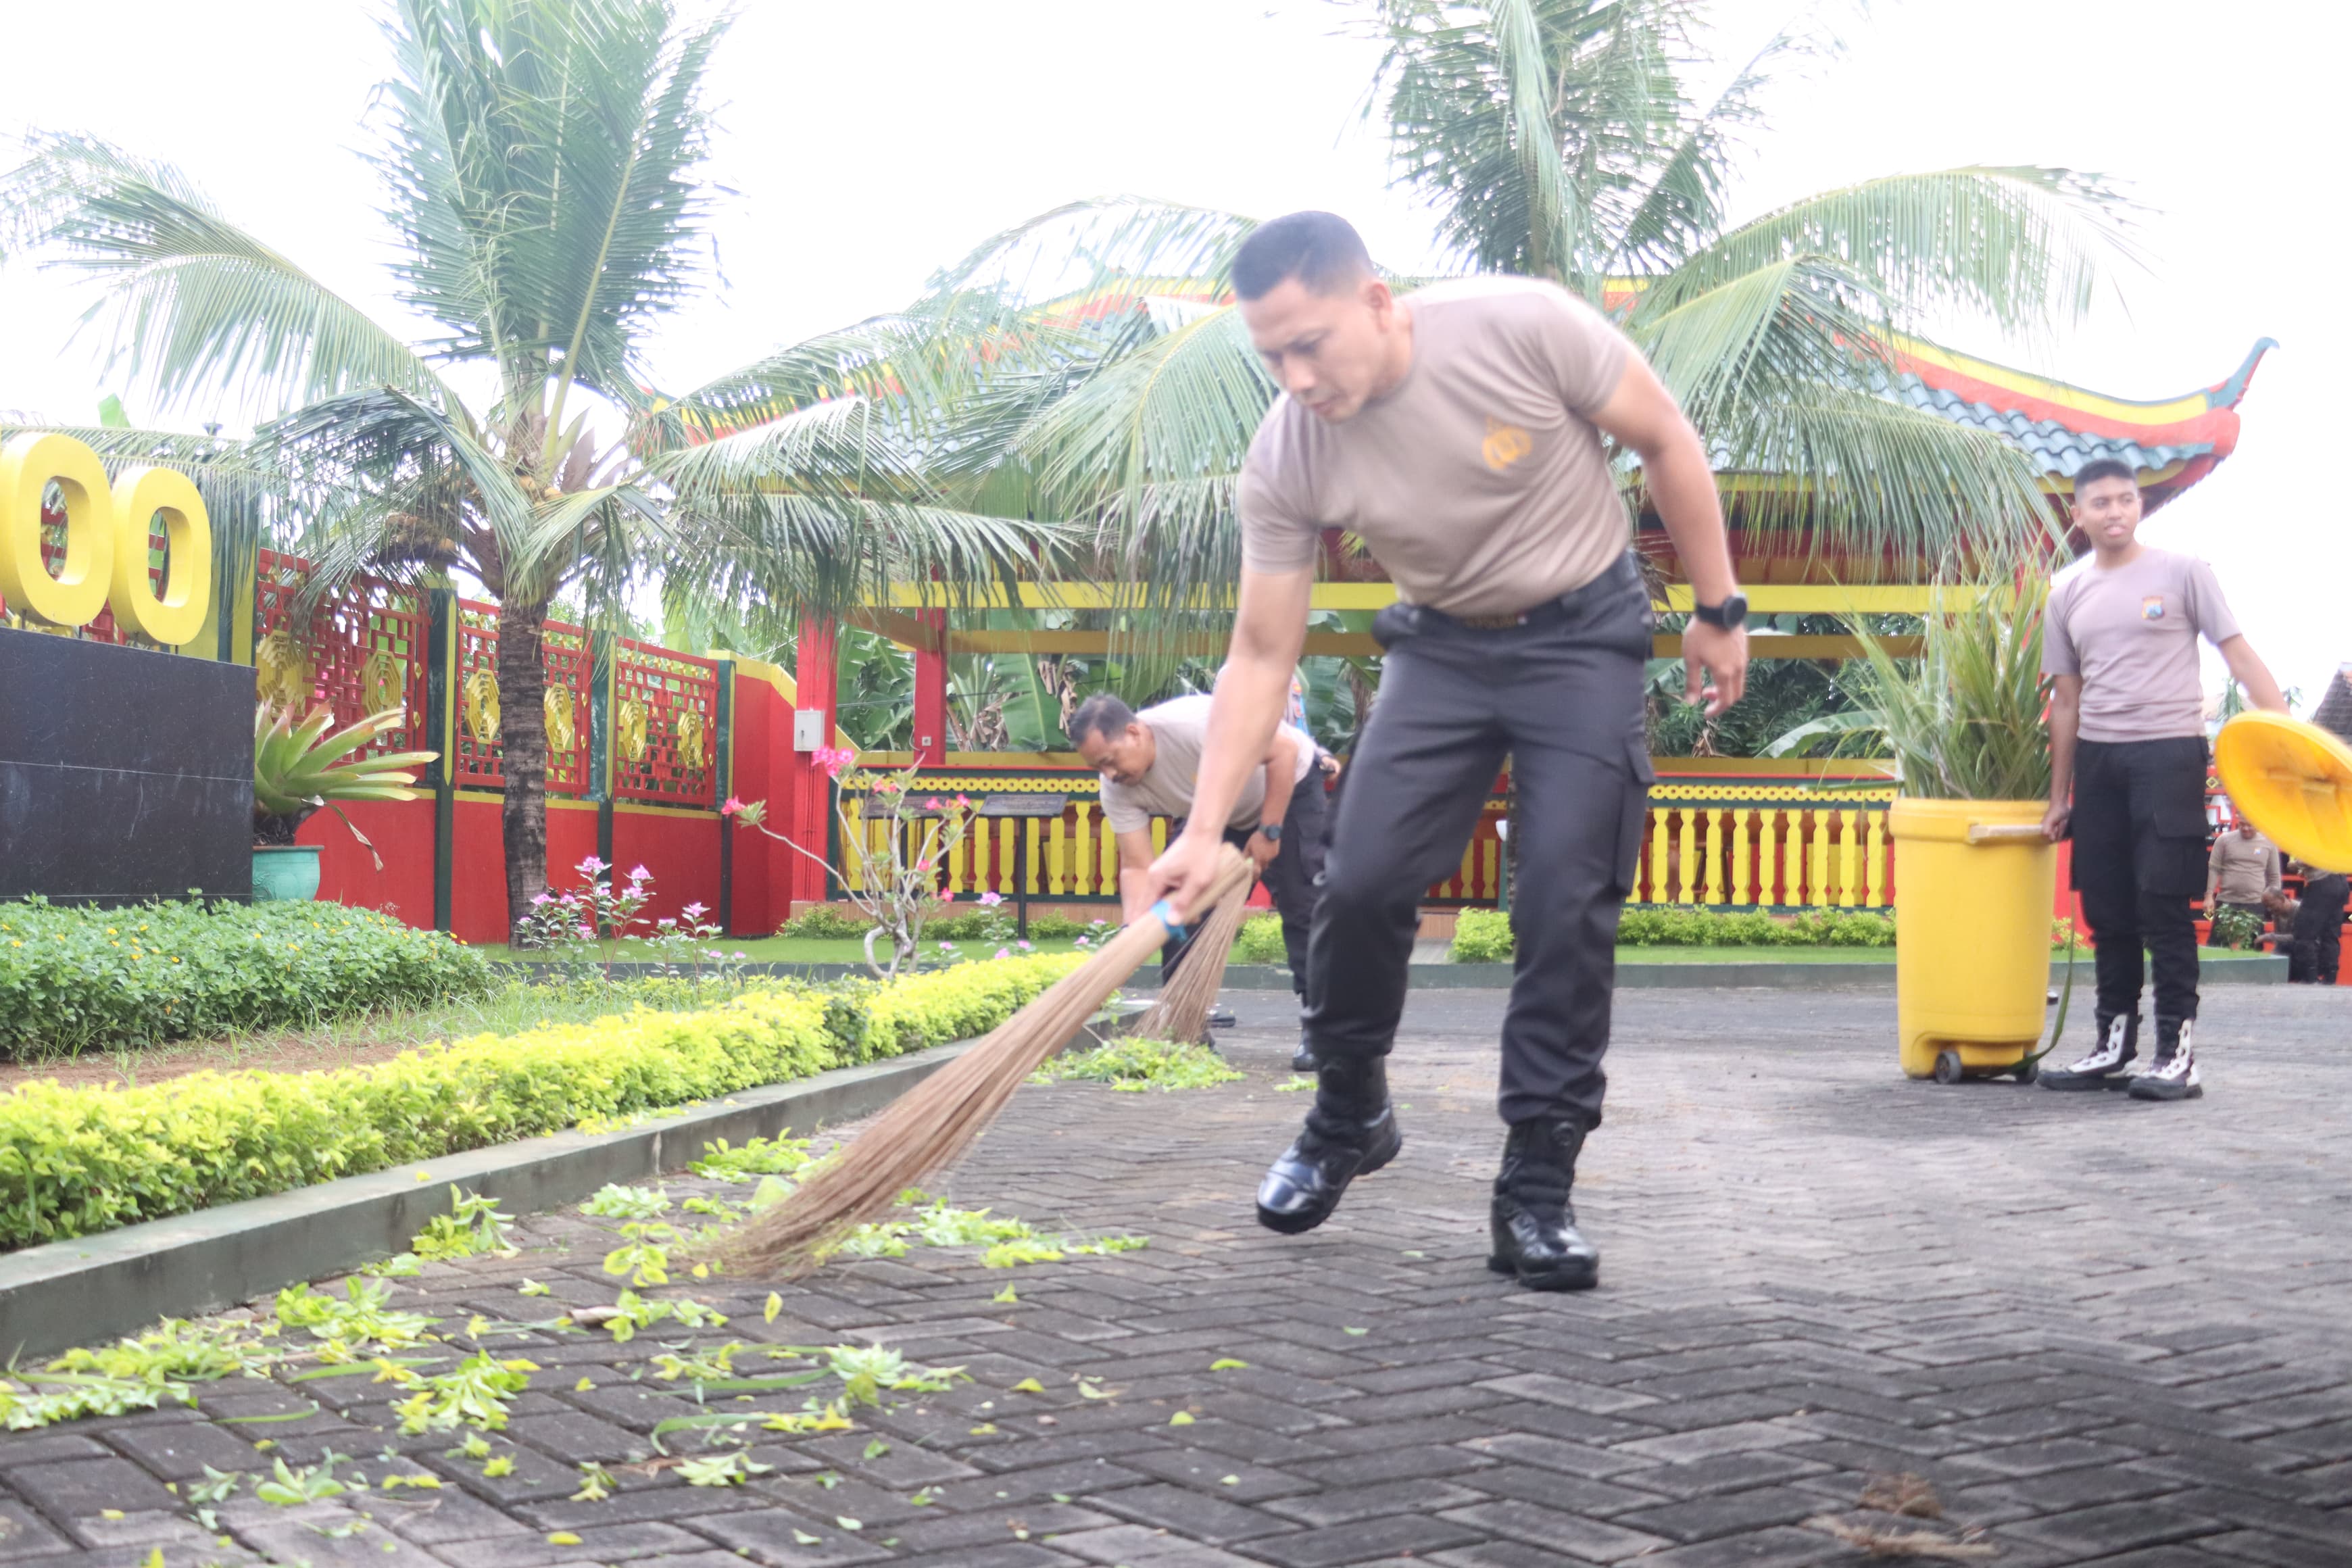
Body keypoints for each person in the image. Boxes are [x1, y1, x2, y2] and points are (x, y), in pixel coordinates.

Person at [1138, 212, 1748, 1292]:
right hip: (1441, 651)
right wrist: (1197, 829)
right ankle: (1348, 1112)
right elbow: (1262, 649)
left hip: (1582, 642)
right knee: (1359, 884)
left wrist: (1719, 606)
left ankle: (1536, 1188)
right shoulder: (1287, 449)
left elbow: (1664, 437)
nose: (1295, 375)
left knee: (1562, 899)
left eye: (1310, 343)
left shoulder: (1522, 326)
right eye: (1269, 354)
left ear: (1376, 301)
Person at [2039, 457, 2289, 1100]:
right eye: (2101, 503)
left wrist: (2287, 740)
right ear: (2079, 514)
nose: (2116, 511)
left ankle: (2178, 1055)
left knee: (2162, 904)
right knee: (2108, 909)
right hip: (2098, 760)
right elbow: (2065, 702)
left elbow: (2237, 654)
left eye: (2126, 499)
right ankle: (2112, 1047)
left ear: (2140, 505)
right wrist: (2057, 796)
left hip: (2168, 755)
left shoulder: (2184, 572)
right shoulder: (2065, 591)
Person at [1072, 691, 1326, 1039]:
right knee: (1177, 906)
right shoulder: (1116, 788)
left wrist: (1269, 830)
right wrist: (1135, 929)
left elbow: (1284, 750)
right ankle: (1185, 1030)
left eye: (1110, 760)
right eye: (1098, 767)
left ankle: (1323, 1031)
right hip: (1216, 815)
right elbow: (1137, 866)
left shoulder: (1195, 726)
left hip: (1289, 787)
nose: (1109, 773)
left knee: (1304, 908)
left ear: (1134, 733)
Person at [2205, 816, 2282, 942]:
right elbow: (2214, 868)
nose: (2245, 829)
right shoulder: (2224, 840)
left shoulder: (2269, 843)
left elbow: (2274, 876)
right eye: (2242, 825)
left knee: (2253, 945)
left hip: (2255, 902)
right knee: (2218, 944)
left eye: (2250, 825)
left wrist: (2276, 902)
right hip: (2227, 901)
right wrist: (2209, 895)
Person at [2286, 863, 2348, 985]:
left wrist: (2294, 864)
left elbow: (2307, 859)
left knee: (2304, 932)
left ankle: (2310, 977)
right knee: (2330, 934)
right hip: (2341, 881)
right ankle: (2330, 977)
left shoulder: (2317, 843)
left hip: (2321, 884)